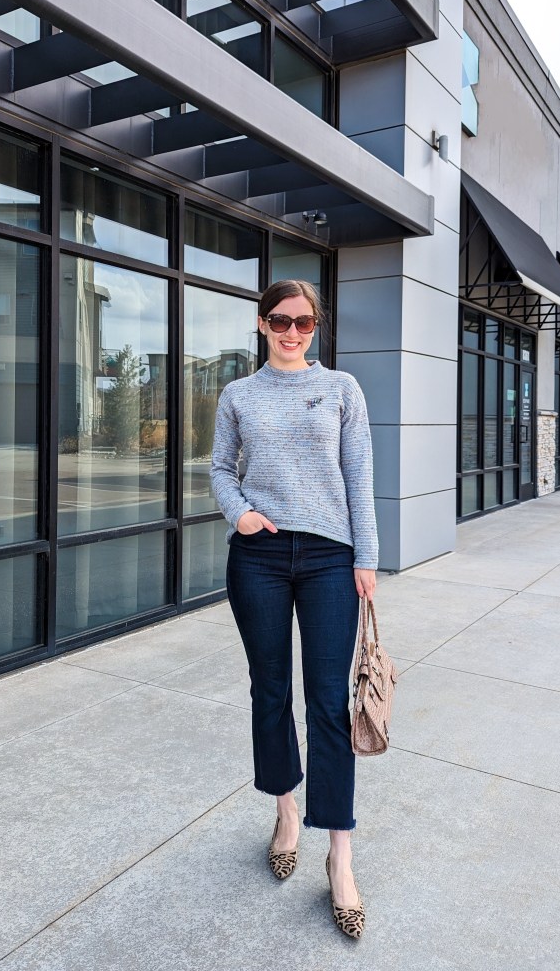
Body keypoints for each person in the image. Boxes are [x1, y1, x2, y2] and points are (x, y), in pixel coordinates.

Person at [210, 278, 377, 939]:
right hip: (258, 557)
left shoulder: (340, 389)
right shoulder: (237, 395)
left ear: (316, 328)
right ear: (260, 324)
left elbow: (358, 472)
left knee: (328, 704)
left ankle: (339, 854)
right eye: (280, 320)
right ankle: (284, 811)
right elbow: (221, 466)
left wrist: (366, 558)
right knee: (269, 691)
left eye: (303, 323)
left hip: (330, 558)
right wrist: (240, 514)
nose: (290, 332)